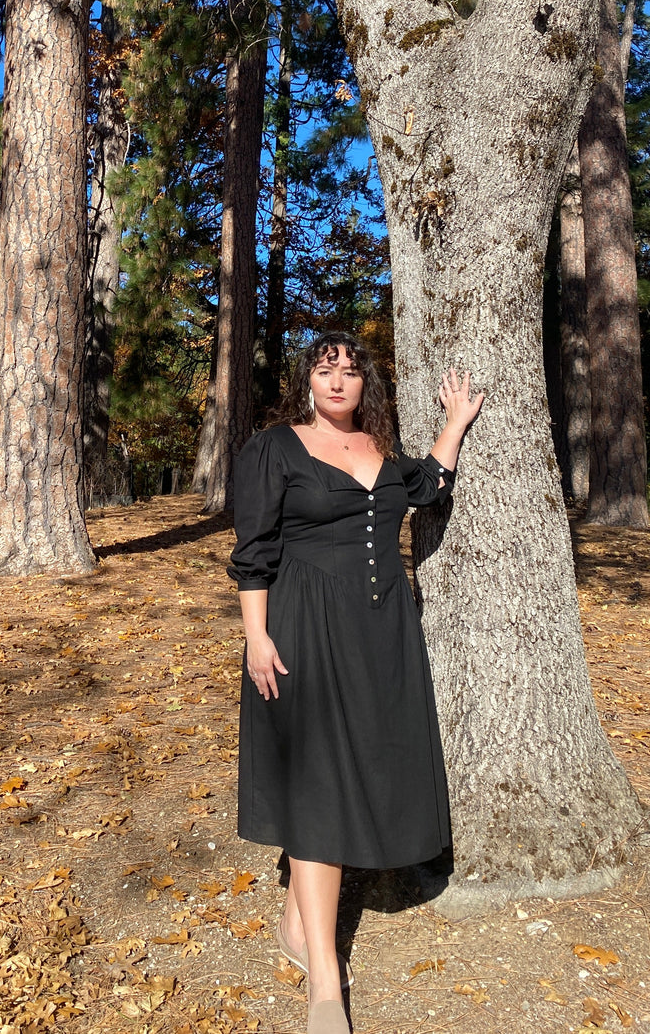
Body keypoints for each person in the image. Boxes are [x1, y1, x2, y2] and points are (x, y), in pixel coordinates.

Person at [227, 332, 483, 1034]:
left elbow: (429, 485)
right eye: (324, 367)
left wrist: (455, 423)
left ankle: (293, 921)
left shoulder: (383, 455)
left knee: (355, 771)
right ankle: (326, 990)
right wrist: (257, 635)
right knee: (320, 783)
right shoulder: (275, 448)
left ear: (365, 383)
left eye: (350, 370)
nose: (338, 380)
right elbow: (253, 551)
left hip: (381, 634)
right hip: (304, 627)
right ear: (306, 380)